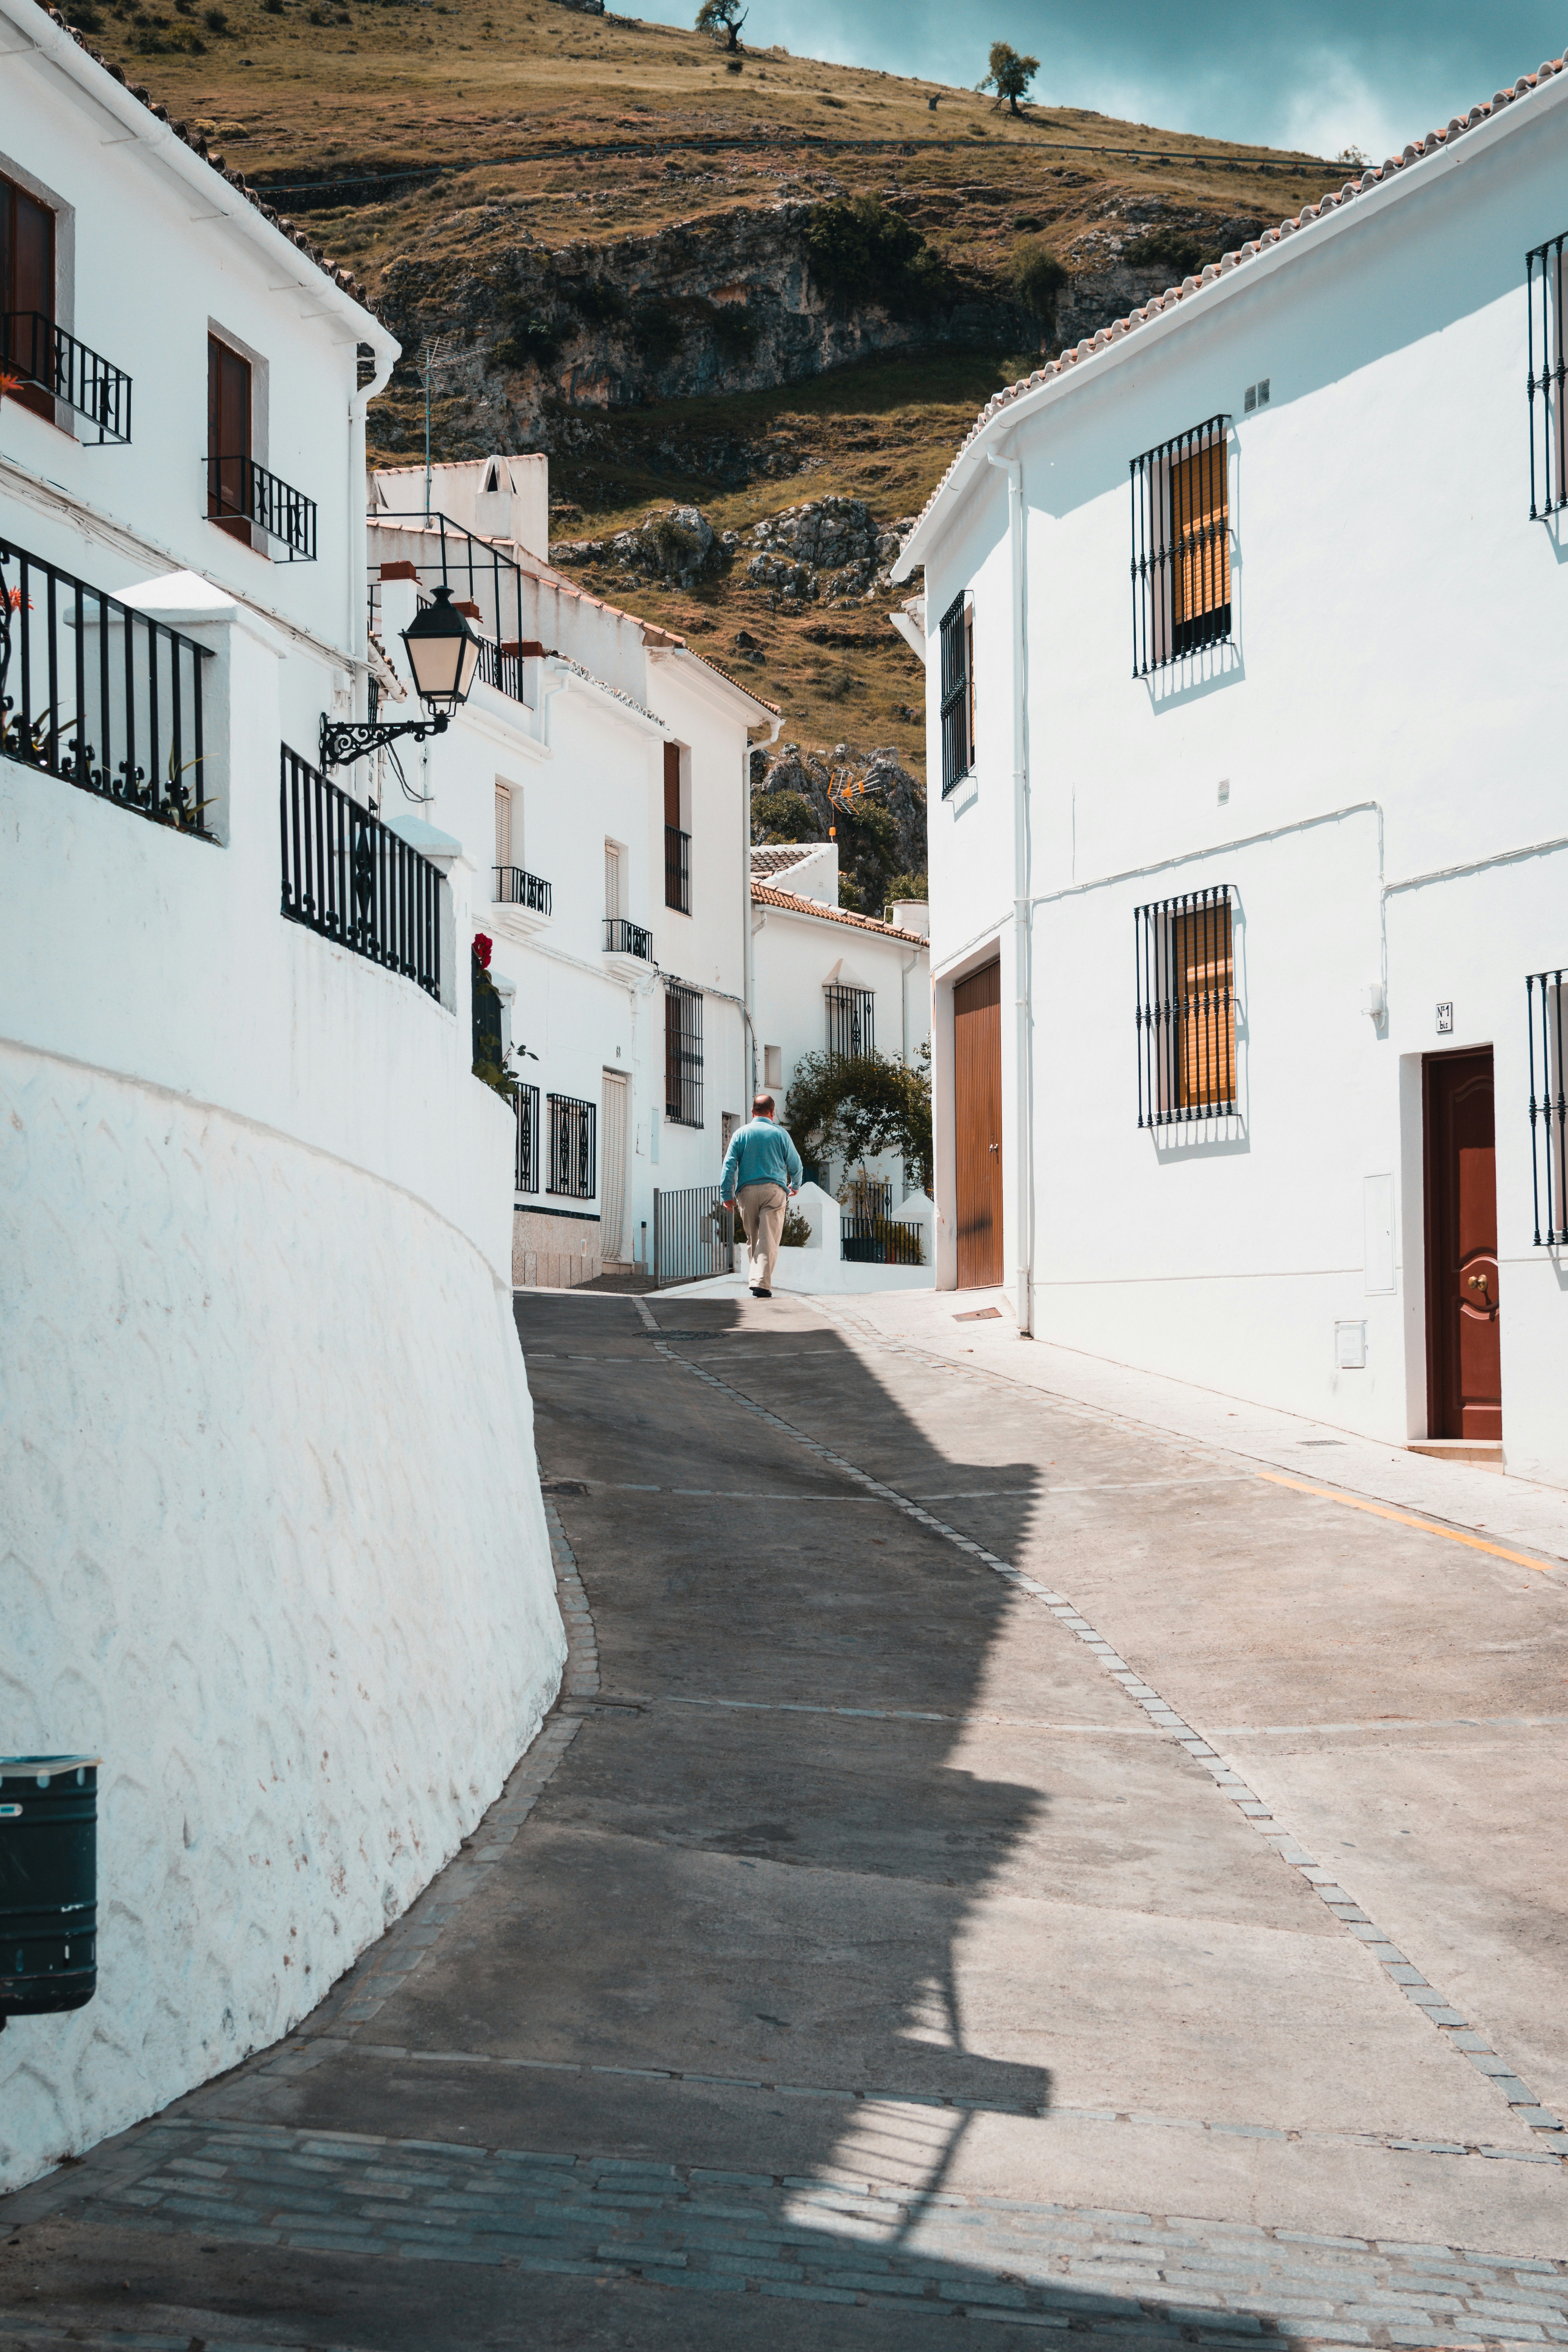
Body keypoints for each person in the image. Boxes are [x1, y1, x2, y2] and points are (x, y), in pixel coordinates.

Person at [719, 1092, 803, 1298]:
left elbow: (729, 1165)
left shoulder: (741, 1134)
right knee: (769, 1238)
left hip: (746, 1192)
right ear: (773, 1113)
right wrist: (796, 1184)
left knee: (754, 1239)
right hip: (774, 1191)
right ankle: (761, 1284)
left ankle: (758, 1281)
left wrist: (726, 1193)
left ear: (752, 1112)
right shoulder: (781, 1134)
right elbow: (796, 1164)